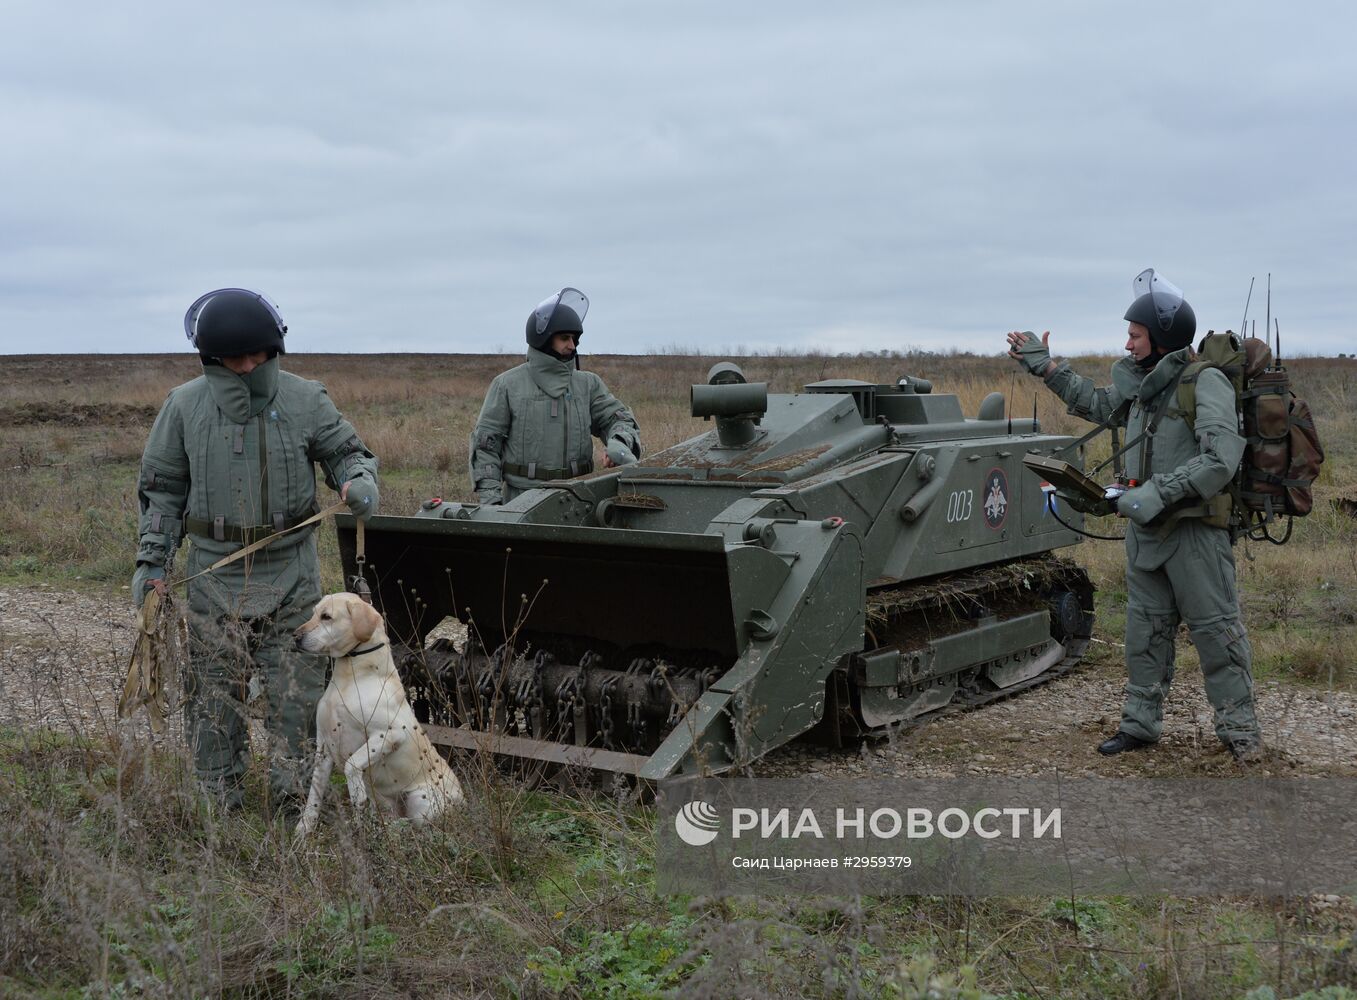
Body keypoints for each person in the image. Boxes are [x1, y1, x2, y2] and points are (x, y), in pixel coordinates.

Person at [133, 287, 381, 813]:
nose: (247, 367)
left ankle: (295, 799)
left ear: (274, 350)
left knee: (298, 695)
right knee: (212, 696)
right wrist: (153, 563)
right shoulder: (182, 408)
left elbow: (346, 452)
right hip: (211, 578)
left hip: (292, 576)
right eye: (234, 358)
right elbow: (162, 493)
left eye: (257, 355)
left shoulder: (307, 399)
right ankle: (217, 800)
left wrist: (358, 480)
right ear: (211, 359)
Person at [1006, 268, 1262, 761]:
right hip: (1145, 535)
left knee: (1217, 636)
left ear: (1162, 336)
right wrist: (1046, 367)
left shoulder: (1203, 382)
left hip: (1194, 534)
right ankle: (1140, 726)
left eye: (1135, 335)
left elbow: (1219, 460)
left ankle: (1241, 736)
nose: (1127, 344)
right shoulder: (1143, 389)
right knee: (1144, 636)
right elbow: (1098, 404)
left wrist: (1158, 492)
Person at [470, 287, 641, 505]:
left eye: (574, 339)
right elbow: (486, 446)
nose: (572, 345)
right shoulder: (507, 385)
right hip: (523, 500)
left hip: (582, 498)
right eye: (564, 338)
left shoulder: (588, 384)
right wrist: (492, 504)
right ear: (544, 338)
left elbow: (618, 419)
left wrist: (619, 443)